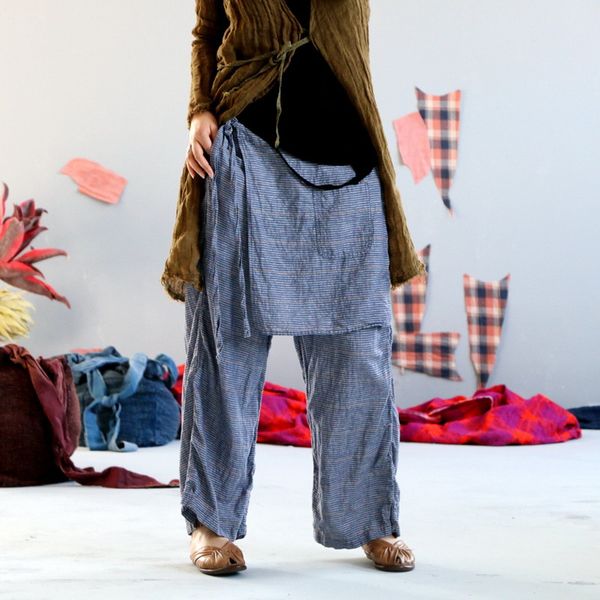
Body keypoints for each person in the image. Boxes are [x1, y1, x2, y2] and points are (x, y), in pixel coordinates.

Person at [177, 0, 418, 576]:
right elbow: (208, 31)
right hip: (246, 152)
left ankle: (370, 517)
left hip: (348, 162)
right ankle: (212, 522)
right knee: (227, 347)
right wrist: (199, 109)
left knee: (359, 356)